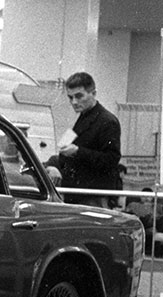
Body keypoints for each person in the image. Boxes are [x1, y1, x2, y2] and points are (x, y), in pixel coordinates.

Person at [44, 72, 120, 207]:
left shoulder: (108, 121)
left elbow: (111, 159)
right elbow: (63, 150)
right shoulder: (82, 118)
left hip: (93, 195)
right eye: (70, 97)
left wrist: (78, 151)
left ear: (93, 93)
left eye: (79, 96)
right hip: (77, 193)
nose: (74, 102)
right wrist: (53, 166)